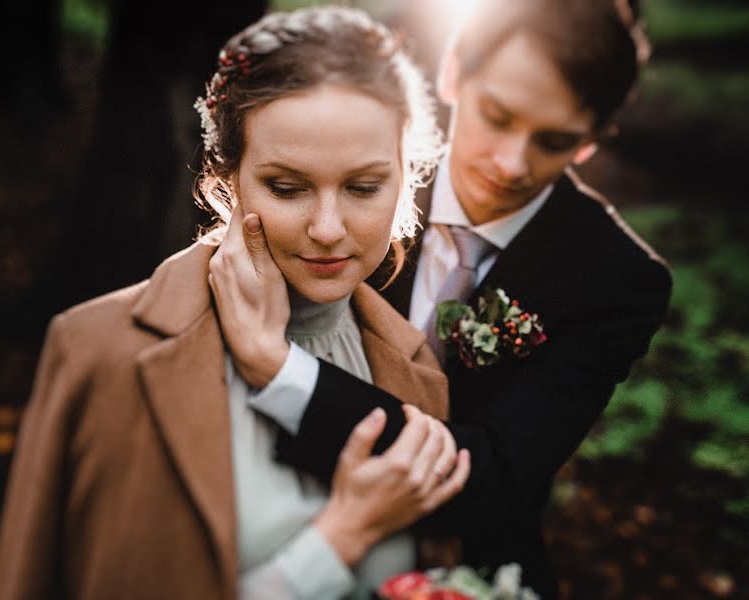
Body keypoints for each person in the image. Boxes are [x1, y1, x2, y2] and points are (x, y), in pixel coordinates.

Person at [0, 6, 473, 600]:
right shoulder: (98, 353)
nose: (327, 227)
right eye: (287, 187)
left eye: (363, 188)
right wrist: (342, 537)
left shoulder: (416, 366)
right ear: (225, 180)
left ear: (408, 179)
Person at [207, 0, 673, 598]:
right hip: (277, 523)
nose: (511, 164)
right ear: (453, 72)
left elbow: (501, 475)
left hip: (471, 569)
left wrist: (281, 372)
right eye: (497, 116)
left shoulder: (616, 278)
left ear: (590, 143)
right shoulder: (355, 174)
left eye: (554, 141)